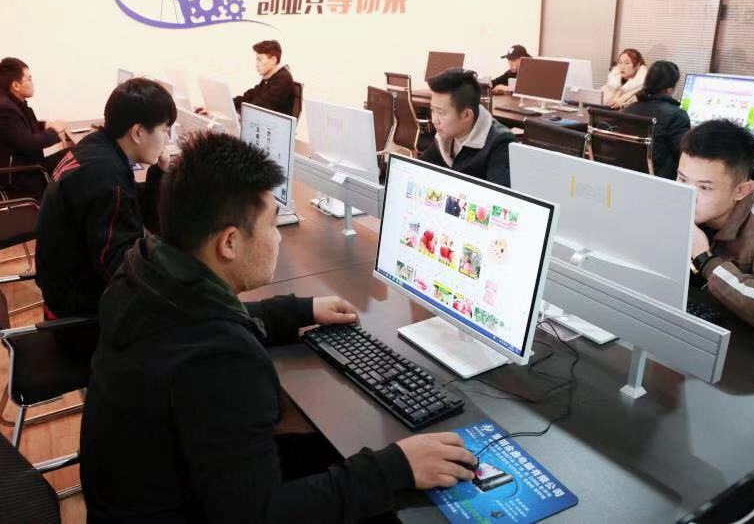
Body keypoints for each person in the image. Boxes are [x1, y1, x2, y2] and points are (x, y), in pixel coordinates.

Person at [79, 132, 477, 522]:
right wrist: (397, 466)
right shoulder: (220, 359)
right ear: (229, 242)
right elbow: (260, 515)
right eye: (271, 225)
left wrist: (298, 310)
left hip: (145, 496)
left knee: (325, 450)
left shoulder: (143, 272)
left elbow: (208, 317)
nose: (279, 239)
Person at [35, 78, 176, 319]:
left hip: (66, 290)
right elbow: (119, 270)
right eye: (165, 130)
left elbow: (134, 208)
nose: (167, 140)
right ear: (138, 132)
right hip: (79, 317)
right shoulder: (107, 178)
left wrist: (158, 172)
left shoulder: (97, 147)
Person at [678, 119, 754, 341]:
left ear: (741, 191)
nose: (687, 194)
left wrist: (704, 259)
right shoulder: (676, 198)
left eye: (704, 187)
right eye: (682, 178)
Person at [420, 68, 515, 187]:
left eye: (441, 112)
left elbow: (497, 196)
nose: (434, 120)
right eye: (432, 110)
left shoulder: (501, 144)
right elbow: (420, 170)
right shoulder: (444, 136)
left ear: (467, 115)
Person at [0, 57, 65, 169]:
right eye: (29, 79)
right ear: (16, 85)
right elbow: (29, 144)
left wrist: (44, 125)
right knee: (77, 156)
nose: (32, 83)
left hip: (25, 167)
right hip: (19, 173)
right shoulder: (4, 109)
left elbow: (18, 129)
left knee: (77, 153)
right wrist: (54, 132)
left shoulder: (1, 99)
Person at [624, 60, 690, 179]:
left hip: (627, 176)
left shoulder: (628, 109)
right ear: (670, 89)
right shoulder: (677, 116)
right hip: (660, 181)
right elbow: (685, 156)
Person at [232, 39, 295, 116]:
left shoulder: (283, 79)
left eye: (260, 60)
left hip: (272, 122)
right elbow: (251, 96)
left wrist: (239, 112)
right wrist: (231, 102)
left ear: (273, 60)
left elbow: (260, 107)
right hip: (263, 120)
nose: (256, 64)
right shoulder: (270, 77)